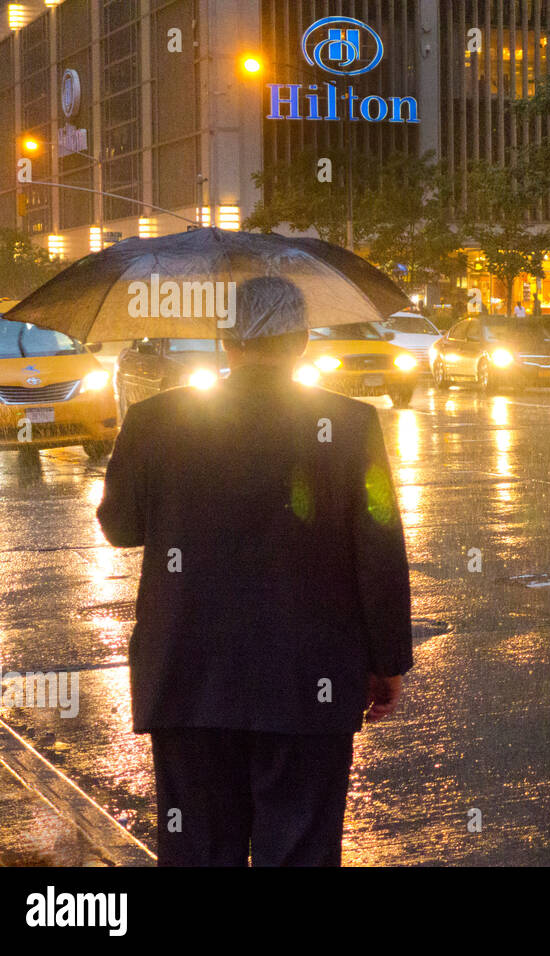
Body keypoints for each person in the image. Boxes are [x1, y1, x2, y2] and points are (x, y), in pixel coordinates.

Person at [97, 275, 413, 867]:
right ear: (300, 343)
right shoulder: (349, 426)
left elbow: (120, 528)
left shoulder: (156, 419)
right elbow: (379, 546)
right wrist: (387, 659)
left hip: (190, 682)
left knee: (198, 850)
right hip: (307, 682)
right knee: (301, 849)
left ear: (225, 342)